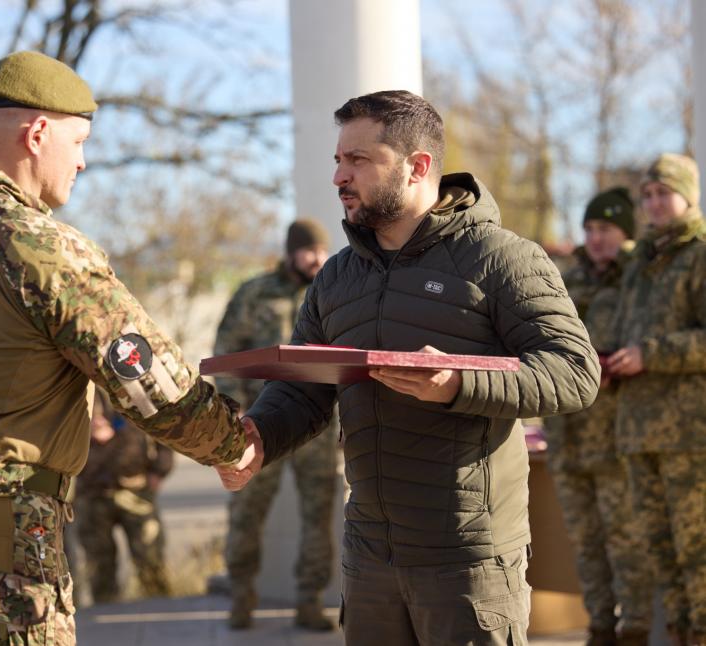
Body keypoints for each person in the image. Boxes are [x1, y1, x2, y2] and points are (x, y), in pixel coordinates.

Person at [0, 50, 251, 645]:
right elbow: (142, 375)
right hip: (8, 533)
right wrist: (231, 445)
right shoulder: (40, 247)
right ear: (37, 135)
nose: (82, 161)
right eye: (78, 142)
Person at [216, 90, 600, 645]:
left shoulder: (503, 259)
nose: (339, 177)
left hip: (468, 560)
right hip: (369, 557)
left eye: (359, 160)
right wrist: (259, 439)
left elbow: (575, 371)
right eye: (338, 160)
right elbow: (304, 389)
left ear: (418, 167)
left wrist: (461, 384)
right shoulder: (337, 277)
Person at [213, 218, 339, 631]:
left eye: (322, 250)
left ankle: (309, 600)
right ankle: (242, 596)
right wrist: (236, 408)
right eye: (310, 251)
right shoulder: (254, 293)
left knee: (318, 516)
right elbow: (226, 350)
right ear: (290, 252)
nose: (319, 259)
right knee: (246, 513)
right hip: (256, 425)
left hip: (315, 429)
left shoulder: (330, 292)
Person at [543, 188, 652, 646]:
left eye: (605, 229)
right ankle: (601, 628)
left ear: (625, 232)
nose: (595, 238)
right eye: (589, 229)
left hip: (616, 434)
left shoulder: (638, 278)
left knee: (626, 541)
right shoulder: (567, 280)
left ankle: (638, 628)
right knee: (585, 544)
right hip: (568, 435)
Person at [606, 153, 706, 646]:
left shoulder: (701, 253)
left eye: (663, 192)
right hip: (637, 427)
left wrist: (652, 354)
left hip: (690, 433)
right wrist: (610, 363)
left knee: (699, 552)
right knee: (660, 550)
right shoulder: (640, 261)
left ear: (689, 194)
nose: (653, 203)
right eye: (646, 195)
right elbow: (628, 329)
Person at [75, 390, 173, 603]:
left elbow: (164, 425)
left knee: (150, 558)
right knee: (99, 565)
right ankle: (108, 620)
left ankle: (161, 612)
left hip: (136, 488)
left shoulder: (134, 380)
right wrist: (84, 430)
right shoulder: (78, 384)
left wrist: (160, 469)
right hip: (92, 491)